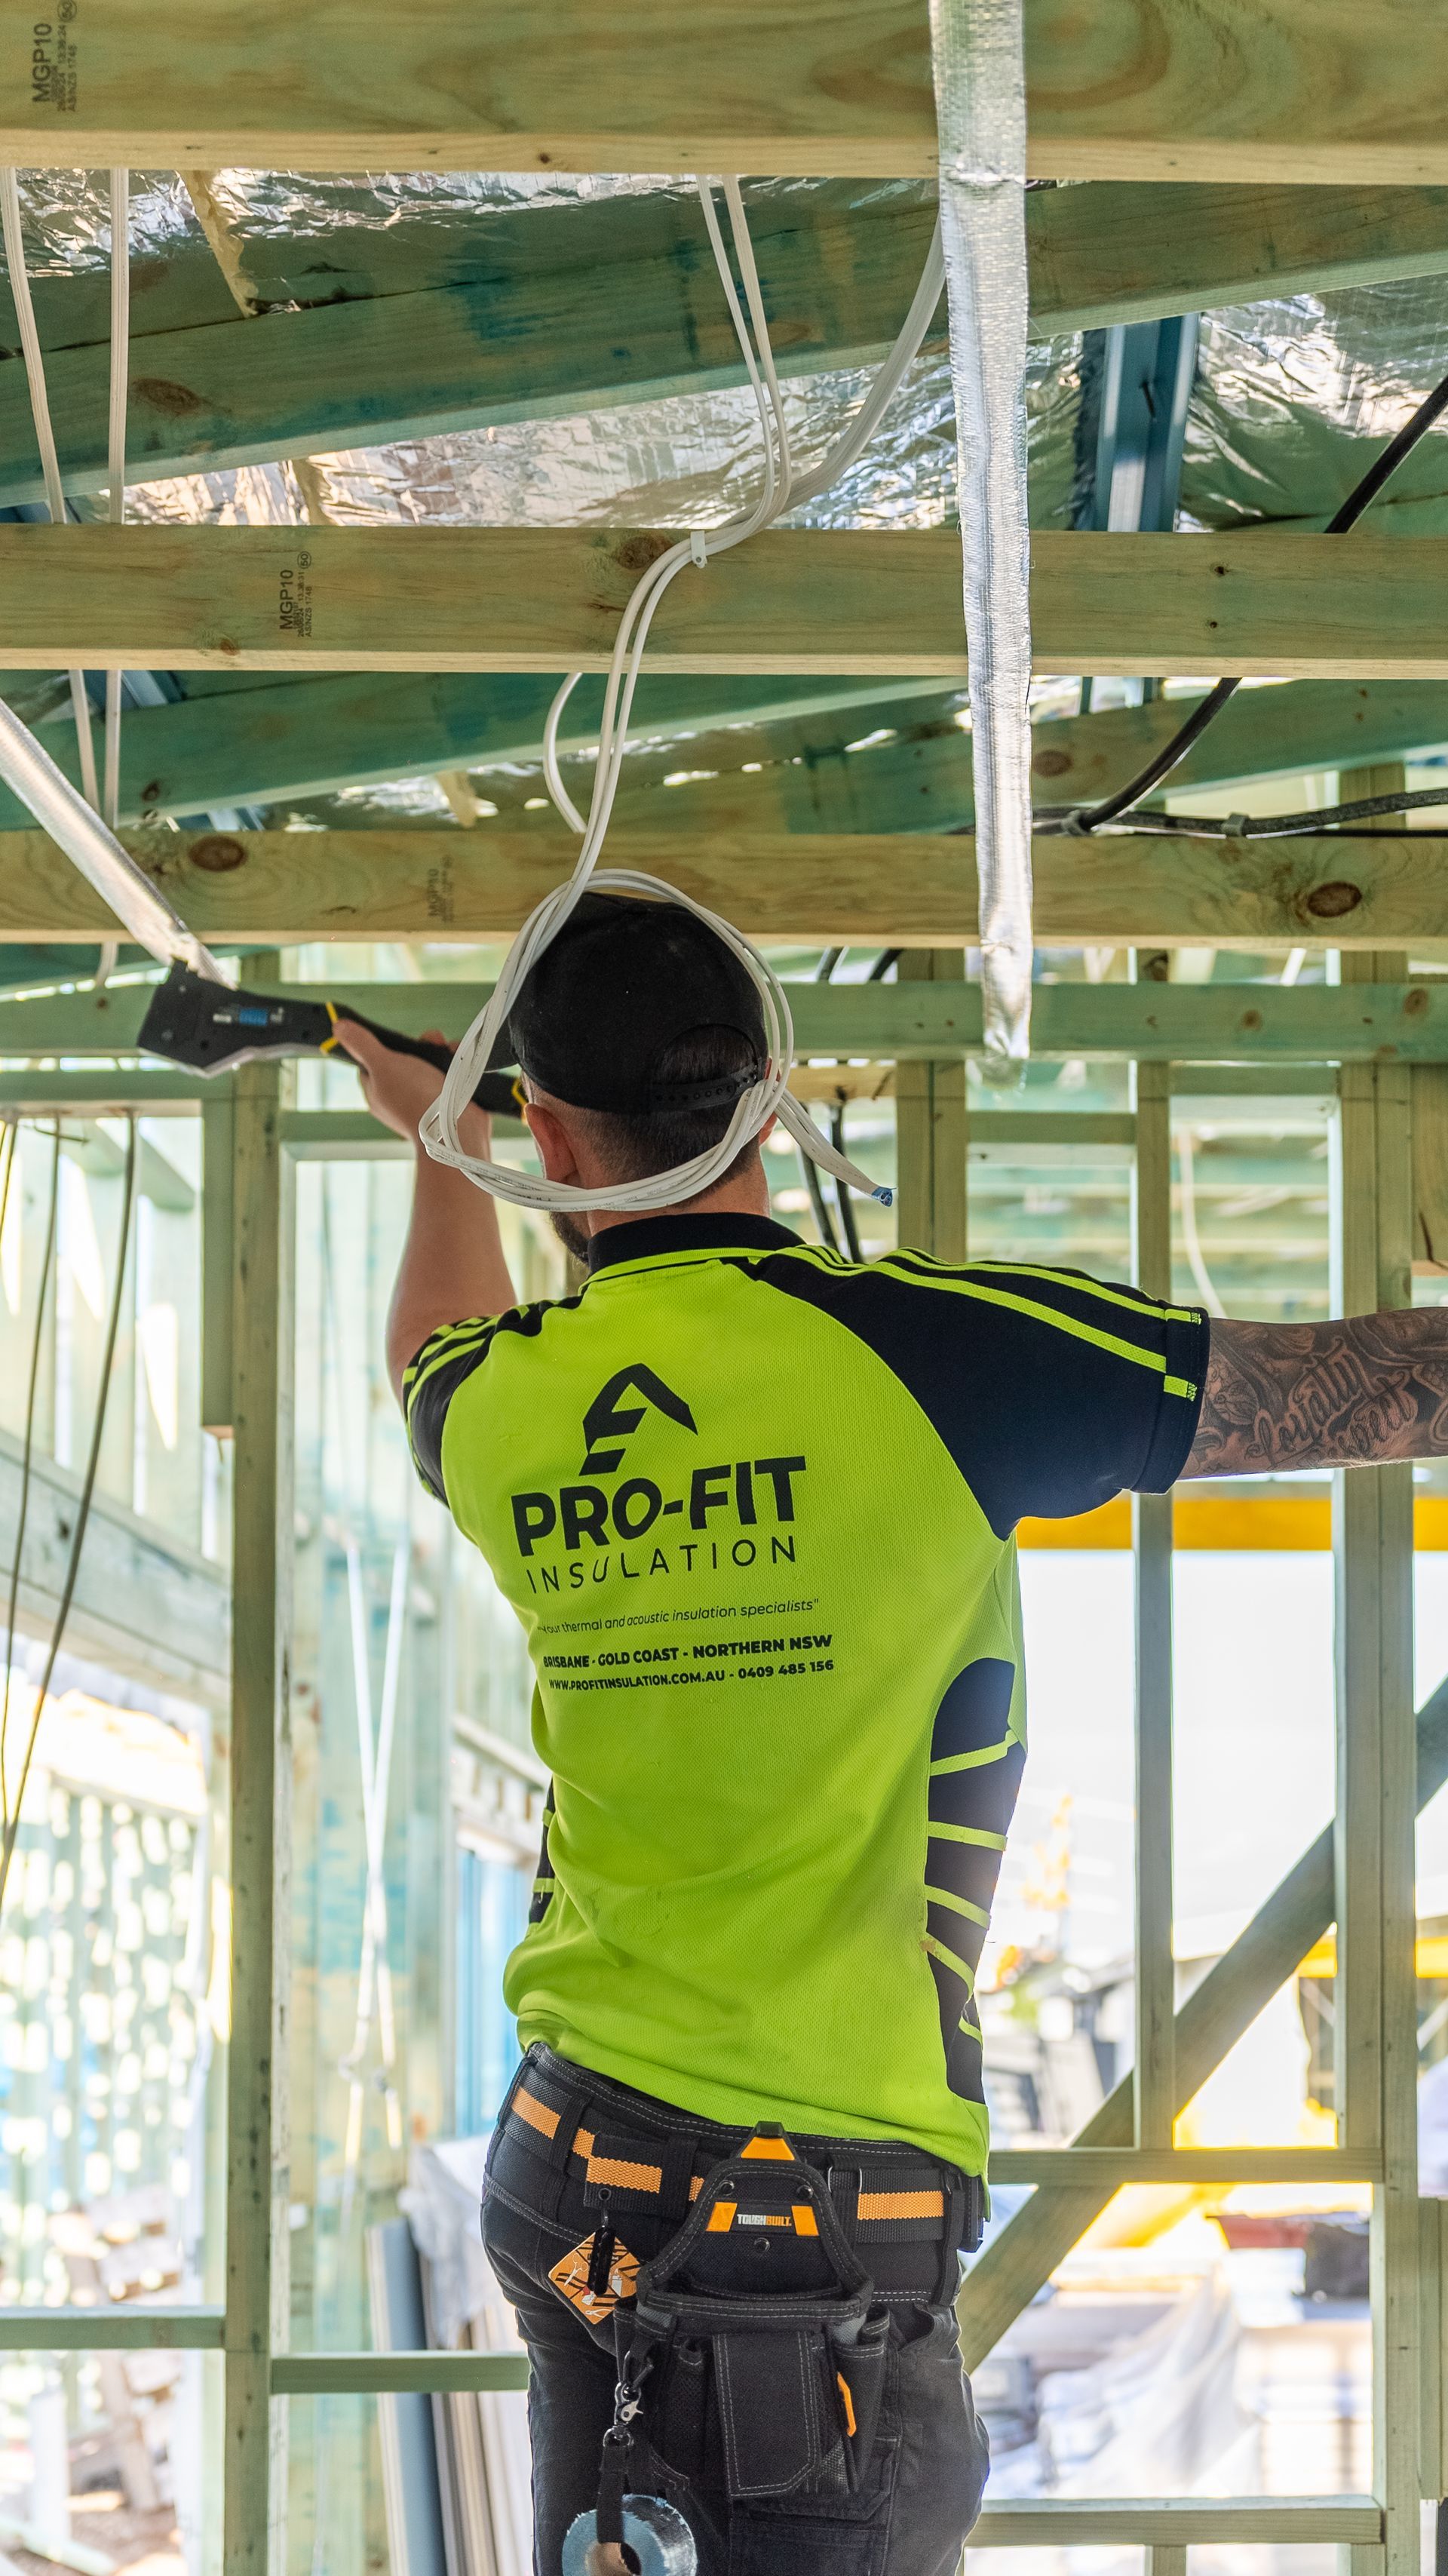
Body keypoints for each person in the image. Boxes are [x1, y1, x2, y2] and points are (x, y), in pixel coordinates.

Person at [342, 894, 1448, 2576]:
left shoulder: (503, 1408)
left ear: (545, 1134)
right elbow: (1359, 1386)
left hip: (581, 2194)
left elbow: (426, 1345)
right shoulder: (937, 1356)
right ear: (772, 1108)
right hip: (791, 2266)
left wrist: (441, 1145)